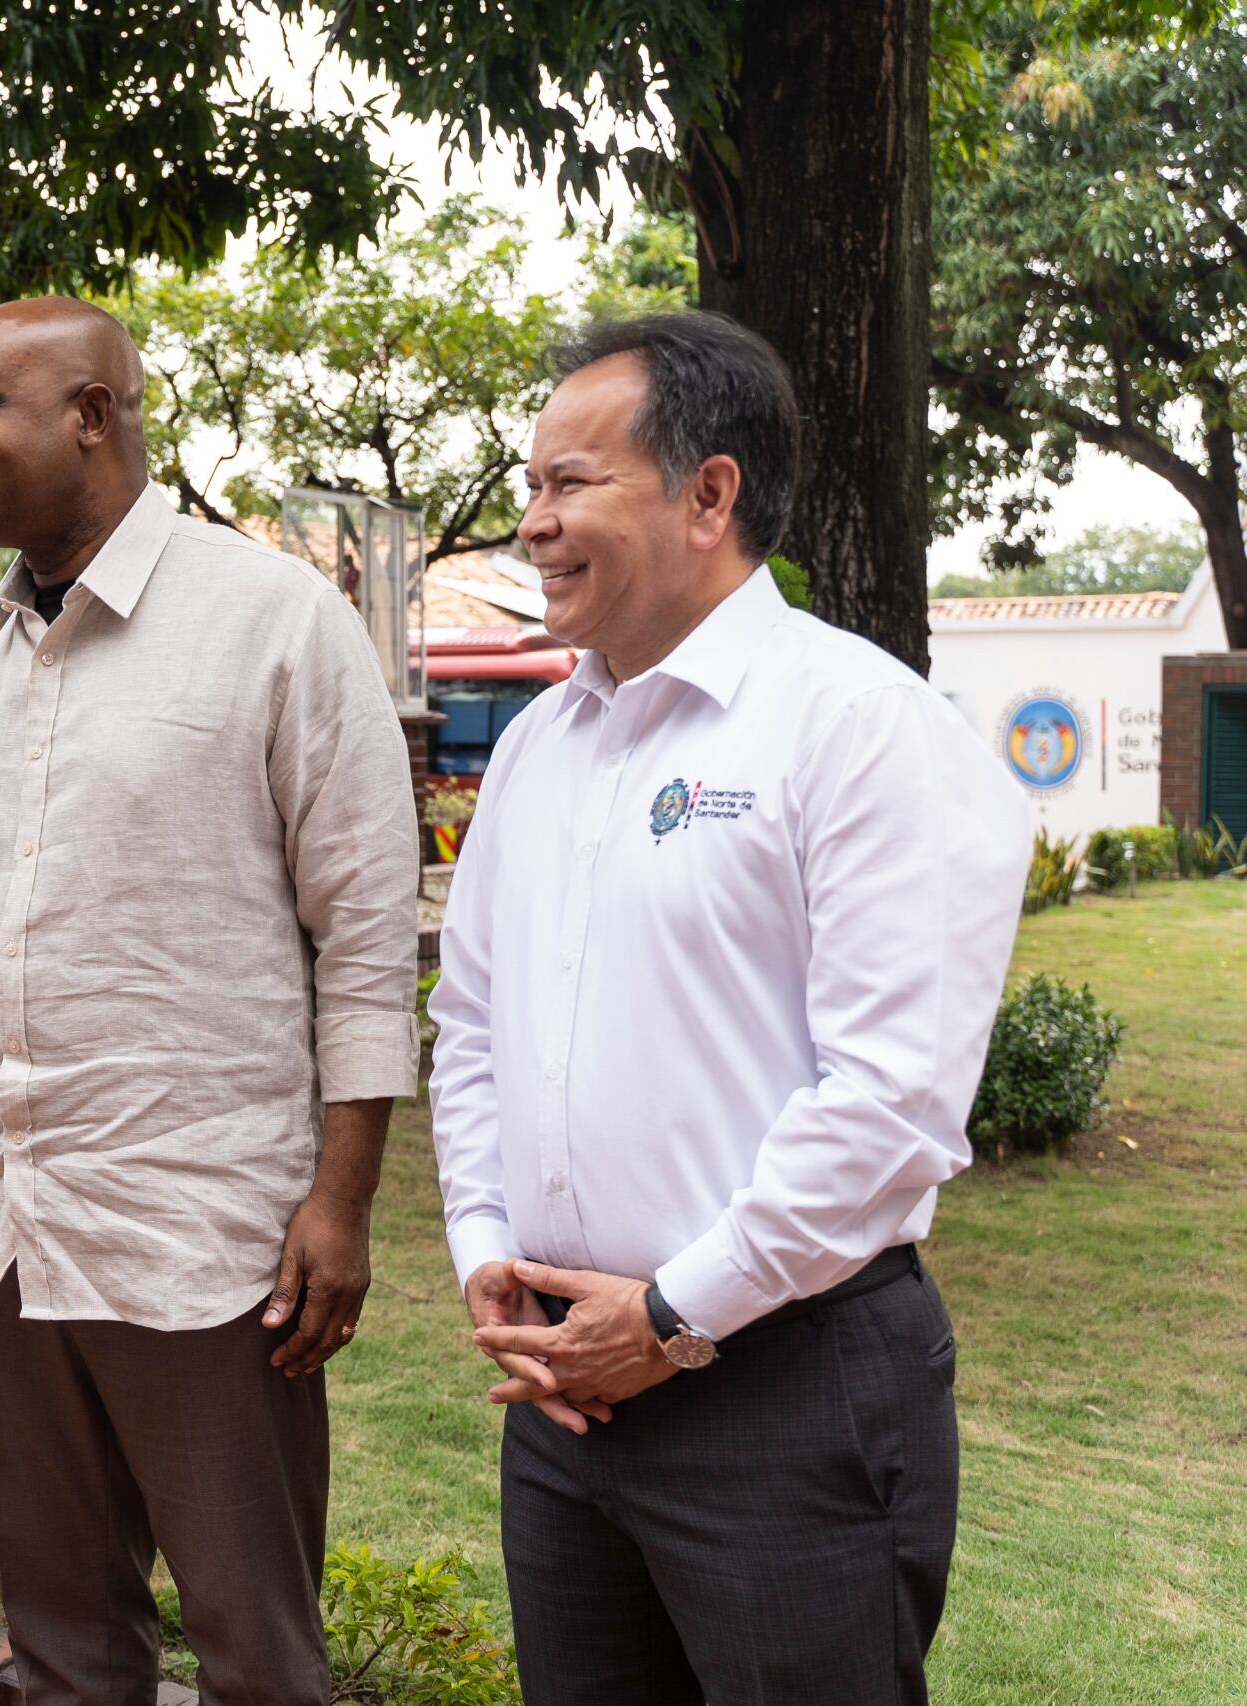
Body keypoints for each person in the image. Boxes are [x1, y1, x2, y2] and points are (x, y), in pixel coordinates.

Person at [427, 312, 1031, 1706]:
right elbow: (472, 1025)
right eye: (530, 485)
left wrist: (677, 1313)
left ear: (711, 492)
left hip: (787, 1391)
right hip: (565, 1398)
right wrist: (487, 1247)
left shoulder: (857, 727)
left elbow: (890, 1106)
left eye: (571, 482)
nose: (533, 523)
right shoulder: (536, 748)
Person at [0, 299, 420, 1706]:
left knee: (255, 1653)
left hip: (202, 1237)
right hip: (16, 1227)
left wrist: (343, 1202)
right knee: (66, 1647)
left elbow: (366, 940)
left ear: (93, 415)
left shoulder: (275, 623)